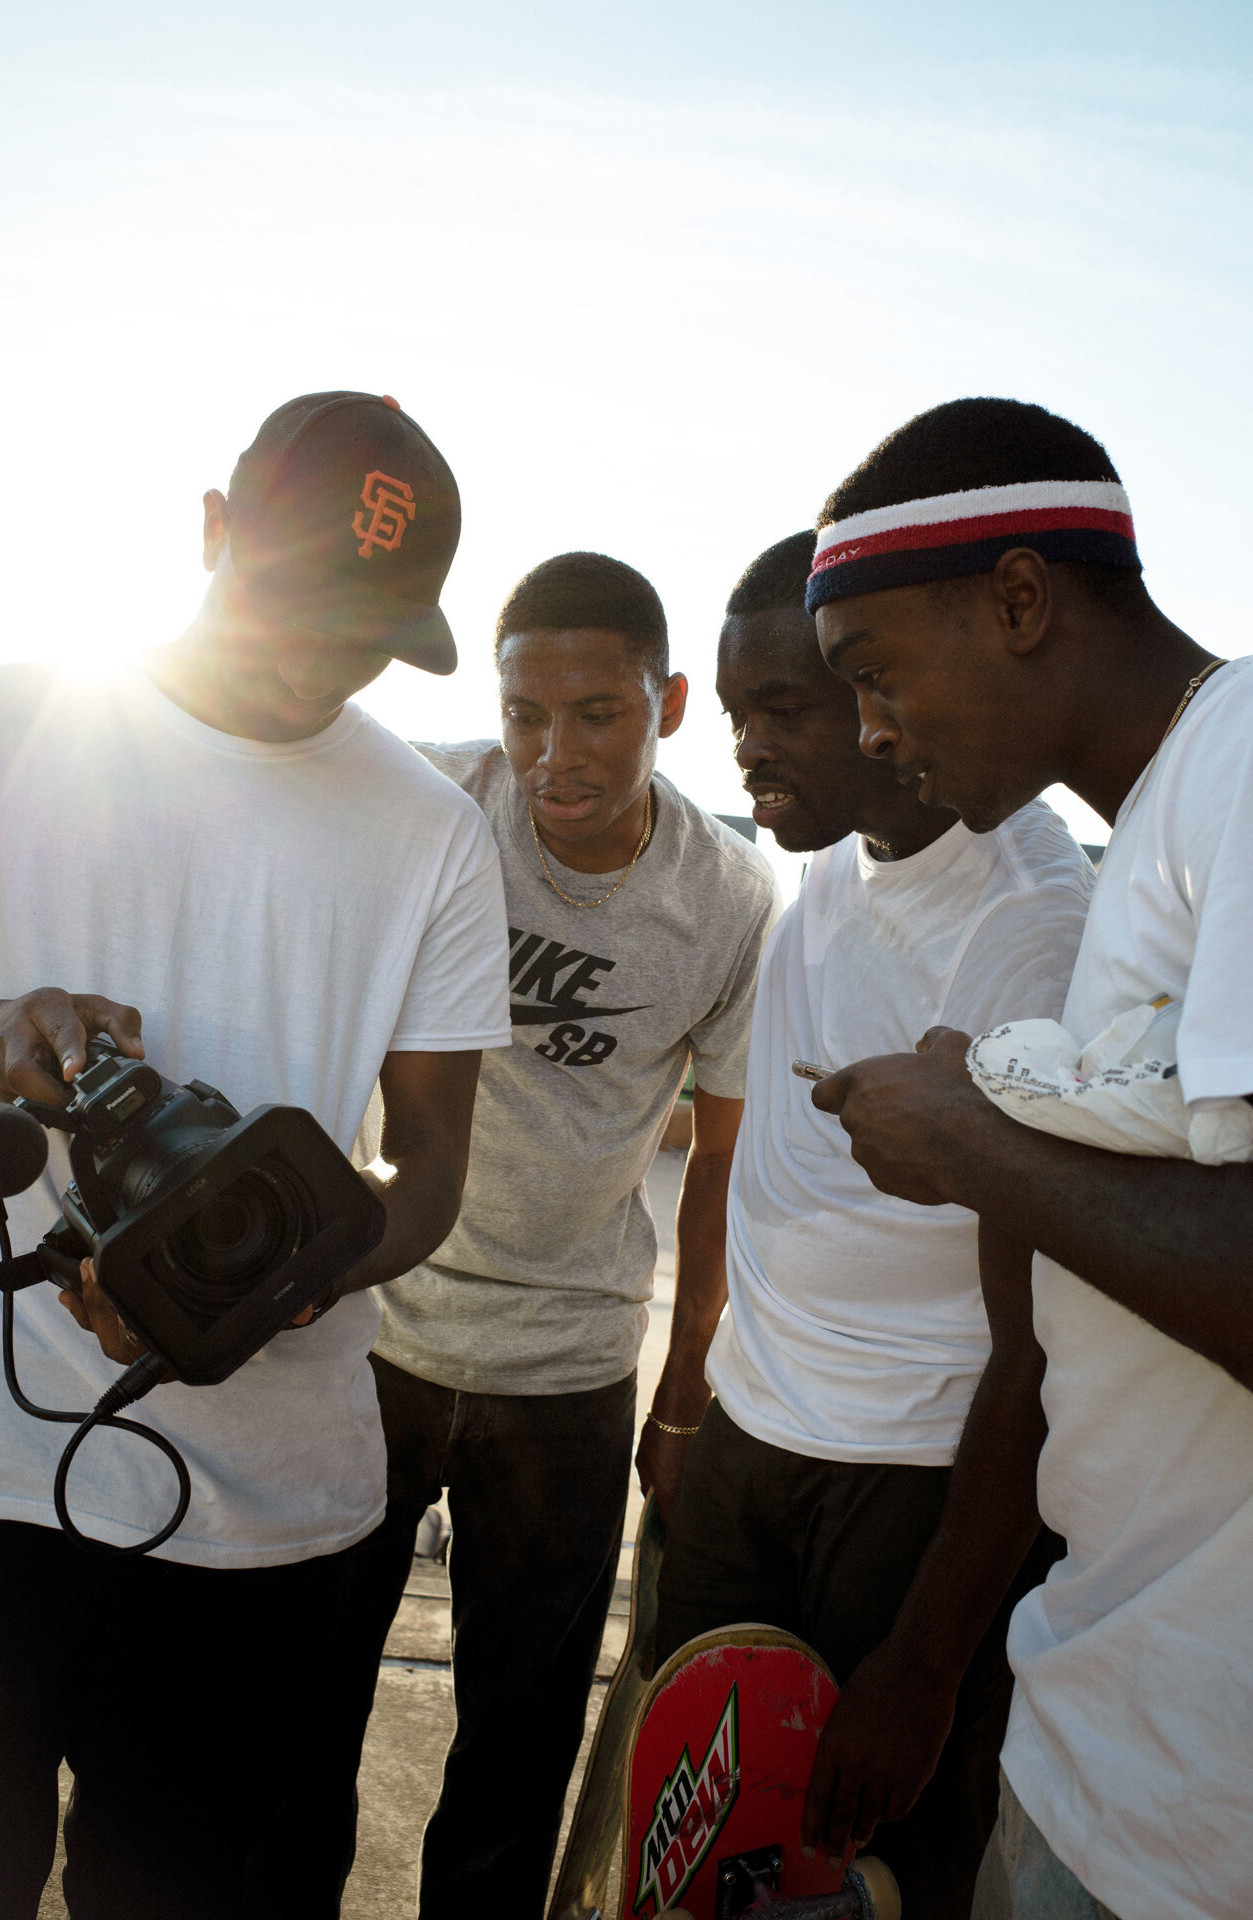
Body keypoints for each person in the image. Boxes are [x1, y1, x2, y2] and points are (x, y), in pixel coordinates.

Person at [0, 390, 513, 1920]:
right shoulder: (8, 725)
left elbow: (433, 1173)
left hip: (264, 1519)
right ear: (210, 529)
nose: (315, 663)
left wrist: (289, 1276)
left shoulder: (430, 831)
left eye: (367, 635)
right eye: (293, 603)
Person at [807, 397, 1253, 1920]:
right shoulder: (1164, 833)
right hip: (1110, 1748)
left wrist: (979, 1146)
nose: (870, 731)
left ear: (1017, 598)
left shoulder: (1246, 768)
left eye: (876, 675)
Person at [331, 550, 779, 1918]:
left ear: (673, 705)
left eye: (600, 713)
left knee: (519, 1748)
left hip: (571, 1369)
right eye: (527, 712)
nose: (553, 751)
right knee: (295, 1711)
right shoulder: (432, 803)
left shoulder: (731, 897)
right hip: (378, 1335)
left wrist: (687, 1386)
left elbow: (721, 1159)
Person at [652, 531, 1093, 1916]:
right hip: (751, 1438)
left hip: (909, 1477)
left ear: (878, 691)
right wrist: (696, 1400)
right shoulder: (829, 856)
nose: (746, 750)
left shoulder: (1034, 921)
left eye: (784, 709)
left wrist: (928, 1660)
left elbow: (1040, 1351)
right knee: (691, 1850)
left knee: (863, 1874)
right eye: (734, 714)